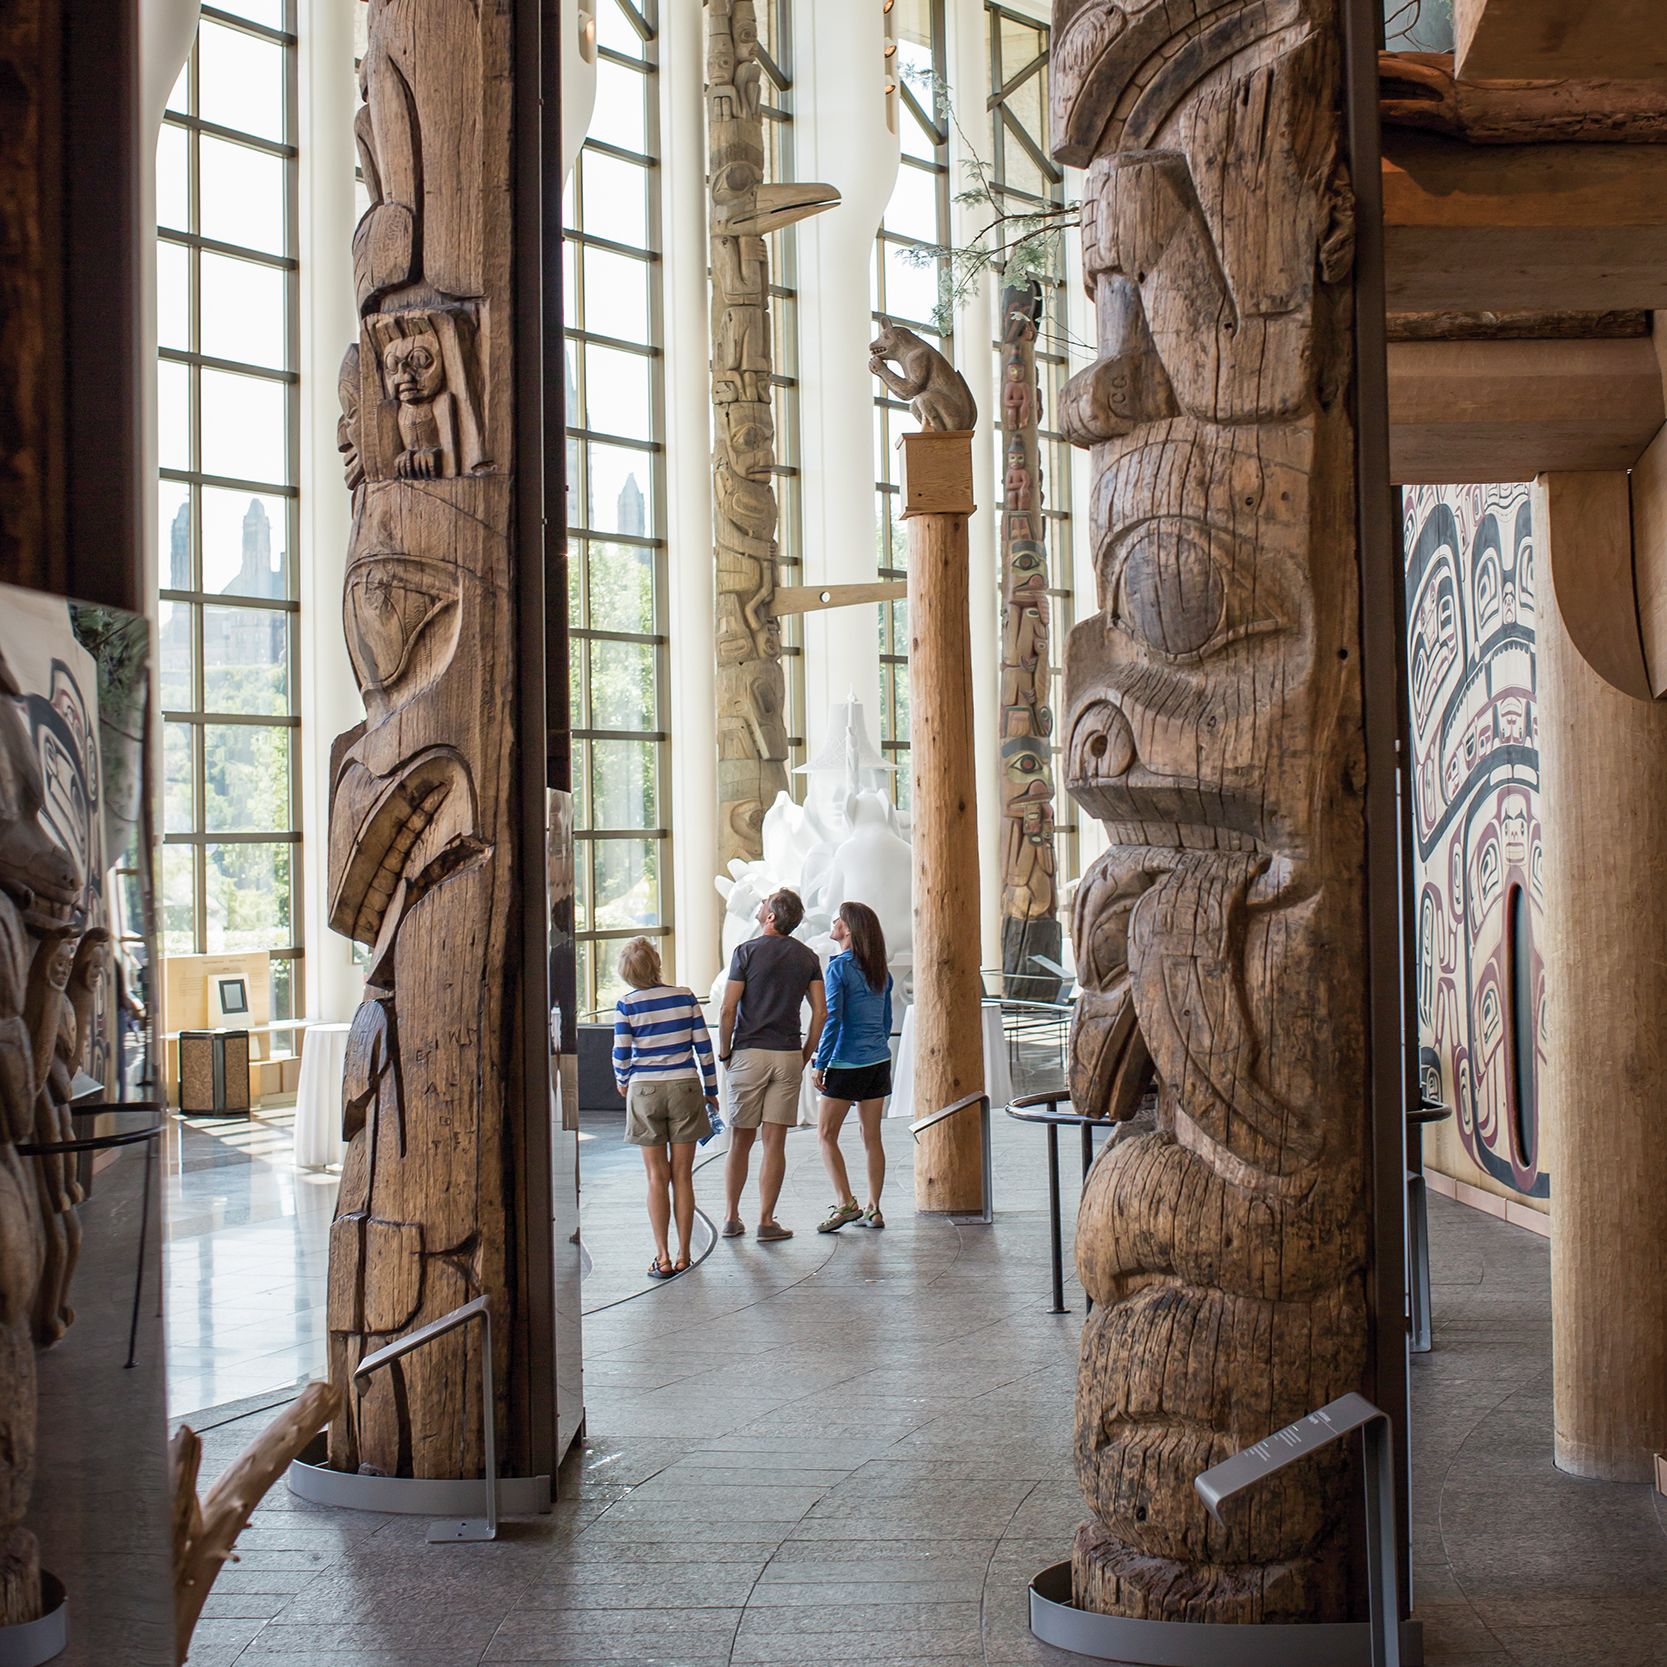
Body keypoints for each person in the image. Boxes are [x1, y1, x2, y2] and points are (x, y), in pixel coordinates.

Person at [718, 888, 825, 1242]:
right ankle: (766, 1221)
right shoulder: (807, 957)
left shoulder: (745, 952)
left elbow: (728, 1008)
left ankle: (732, 1217)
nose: (762, 903)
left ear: (771, 917)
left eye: (766, 901)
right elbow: (821, 1011)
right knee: (775, 1142)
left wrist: (724, 1052)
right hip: (787, 1053)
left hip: (748, 1052)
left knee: (740, 1141)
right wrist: (806, 1052)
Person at [612, 937, 718, 1280]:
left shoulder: (626, 1005)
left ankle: (663, 1256)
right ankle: (686, 1254)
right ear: (656, 963)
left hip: (645, 1090)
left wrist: (623, 1079)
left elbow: (621, 1053)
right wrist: (712, 1090)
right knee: (682, 1176)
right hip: (686, 1086)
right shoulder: (684, 996)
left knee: (657, 1177)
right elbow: (704, 1048)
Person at [811, 901, 894, 1232]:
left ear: (848, 928)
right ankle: (874, 1208)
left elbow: (833, 1018)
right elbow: (886, 1020)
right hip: (878, 1060)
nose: (833, 922)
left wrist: (821, 1060)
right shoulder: (879, 970)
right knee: (871, 1136)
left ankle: (846, 1202)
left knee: (826, 1134)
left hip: (846, 1062)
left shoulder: (839, 968)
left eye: (838, 919)